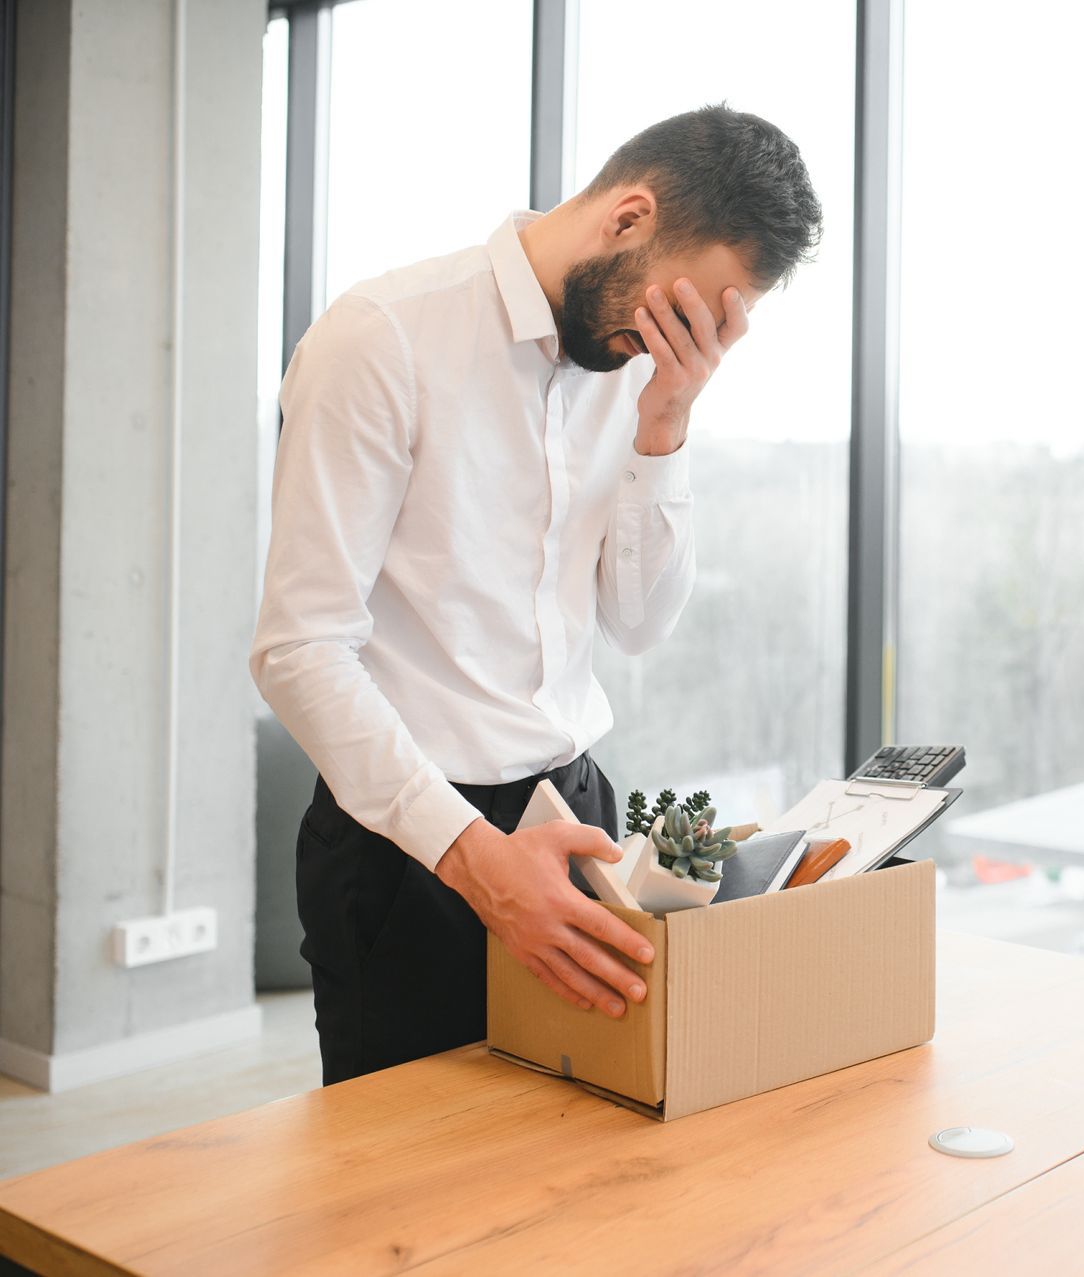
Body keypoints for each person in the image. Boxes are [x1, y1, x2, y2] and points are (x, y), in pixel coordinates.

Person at [251, 104, 823, 1085]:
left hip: (575, 799)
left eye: (714, 330)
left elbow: (638, 623)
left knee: (587, 1148)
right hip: (409, 840)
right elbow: (299, 650)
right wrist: (475, 857)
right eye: (684, 313)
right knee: (413, 1187)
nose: (678, 344)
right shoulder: (381, 338)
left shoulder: (633, 371)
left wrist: (665, 427)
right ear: (629, 217)